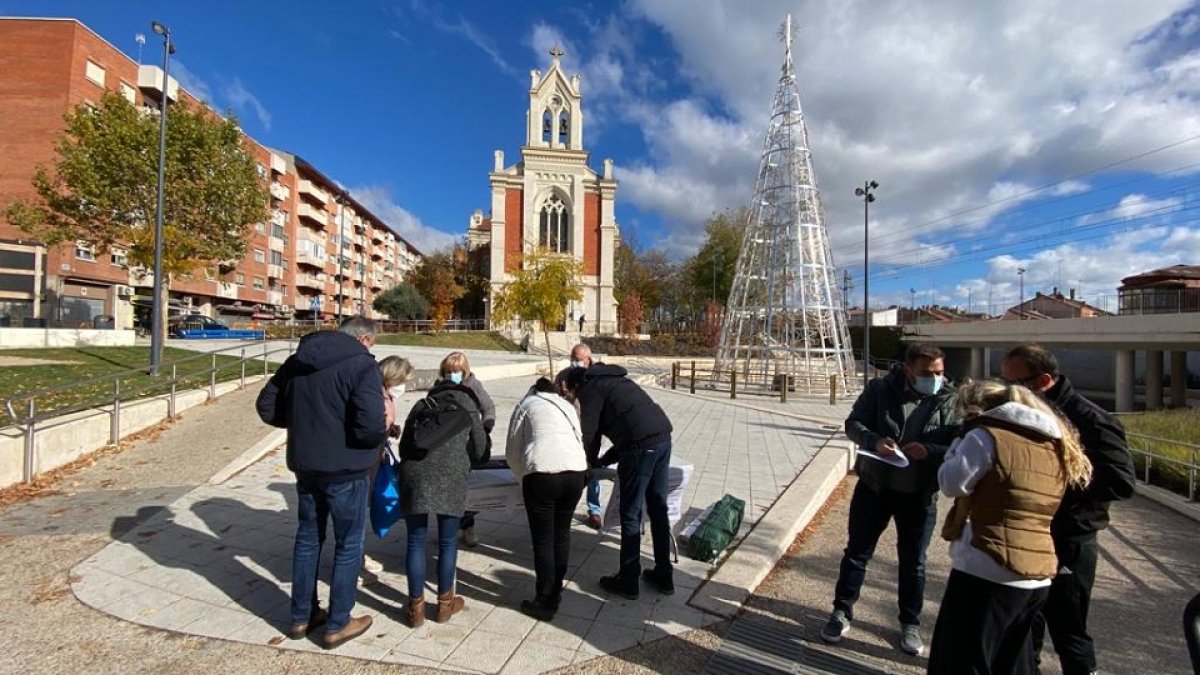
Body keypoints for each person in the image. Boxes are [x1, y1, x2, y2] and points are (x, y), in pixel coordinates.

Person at [927, 380, 1093, 674]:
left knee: (962, 659)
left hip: (987, 563)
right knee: (1013, 662)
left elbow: (951, 483)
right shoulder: (1055, 445)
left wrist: (956, 446)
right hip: (1037, 573)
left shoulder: (985, 436)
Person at [255, 316, 391, 649]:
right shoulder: (361, 365)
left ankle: (302, 616)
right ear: (362, 339)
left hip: (306, 466)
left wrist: (303, 425)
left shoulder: (296, 361)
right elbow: (370, 425)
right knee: (348, 544)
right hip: (348, 469)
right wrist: (376, 434)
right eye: (372, 343)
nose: (372, 348)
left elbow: (267, 405)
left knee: (307, 539)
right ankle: (338, 622)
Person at [1000, 343, 1136, 675]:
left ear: (1044, 379)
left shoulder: (1089, 419)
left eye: (1017, 384)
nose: (1010, 393)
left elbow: (1120, 482)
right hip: (1030, 535)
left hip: (1069, 541)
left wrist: (1049, 484)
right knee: (1023, 624)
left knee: (1068, 629)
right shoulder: (1026, 414)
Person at [821, 343, 961, 657]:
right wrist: (874, 440)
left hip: (920, 493)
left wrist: (931, 451)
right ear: (908, 369)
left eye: (938, 372)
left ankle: (910, 623)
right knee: (857, 553)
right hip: (875, 486)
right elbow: (853, 425)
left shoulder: (951, 399)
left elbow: (959, 441)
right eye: (927, 373)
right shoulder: (880, 390)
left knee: (914, 563)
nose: (935, 378)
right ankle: (841, 612)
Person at [564, 363, 674, 600]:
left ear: (574, 386)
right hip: (662, 437)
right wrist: (605, 460)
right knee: (658, 509)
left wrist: (588, 464)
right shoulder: (616, 380)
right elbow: (628, 425)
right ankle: (664, 574)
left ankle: (628, 578)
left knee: (631, 514)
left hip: (640, 448)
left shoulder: (590, 388)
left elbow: (590, 434)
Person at [396, 366, 488, 627]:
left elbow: (404, 447)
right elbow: (481, 450)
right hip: (451, 477)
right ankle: (445, 605)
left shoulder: (422, 404)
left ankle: (415, 610)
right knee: (448, 543)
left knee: (415, 541)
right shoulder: (469, 406)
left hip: (415, 474)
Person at [506, 377, 588, 621]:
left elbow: (512, 450)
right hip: (575, 472)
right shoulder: (567, 406)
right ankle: (556, 591)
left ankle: (544, 600)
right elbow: (579, 438)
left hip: (542, 473)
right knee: (561, 533)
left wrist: (523, 476)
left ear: (532, 390)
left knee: (543, 539)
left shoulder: (526, 404)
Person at [360, 356, 415, 586]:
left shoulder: (385, 395)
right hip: (366, 462)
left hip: (376, 457)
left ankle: (356, 558)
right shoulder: (376, 397)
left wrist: (390, 429)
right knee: (357, 512)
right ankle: (354, 564)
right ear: (392, 377)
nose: (403, 387)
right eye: (402, 380)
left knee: (361, 511)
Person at [437, 351, 495, 548]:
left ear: (464, 371)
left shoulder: (473, 385)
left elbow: (489, 409)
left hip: (466, 445)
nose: (451, 375)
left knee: (465, 489)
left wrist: (483, 432)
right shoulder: (439, 387)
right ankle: (447, 528)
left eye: (455, 371)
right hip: (444, 444)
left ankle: (467, 526)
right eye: (448, 371)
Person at [569, 343, 604, 530]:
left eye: (578, 359)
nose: (574, 362)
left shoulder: (598, 377)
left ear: (588, 359)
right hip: (570, 432)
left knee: (593, 472)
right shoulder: (567, 376)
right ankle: (566, 507)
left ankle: (595, 510)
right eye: (572, 358)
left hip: (593, 432)